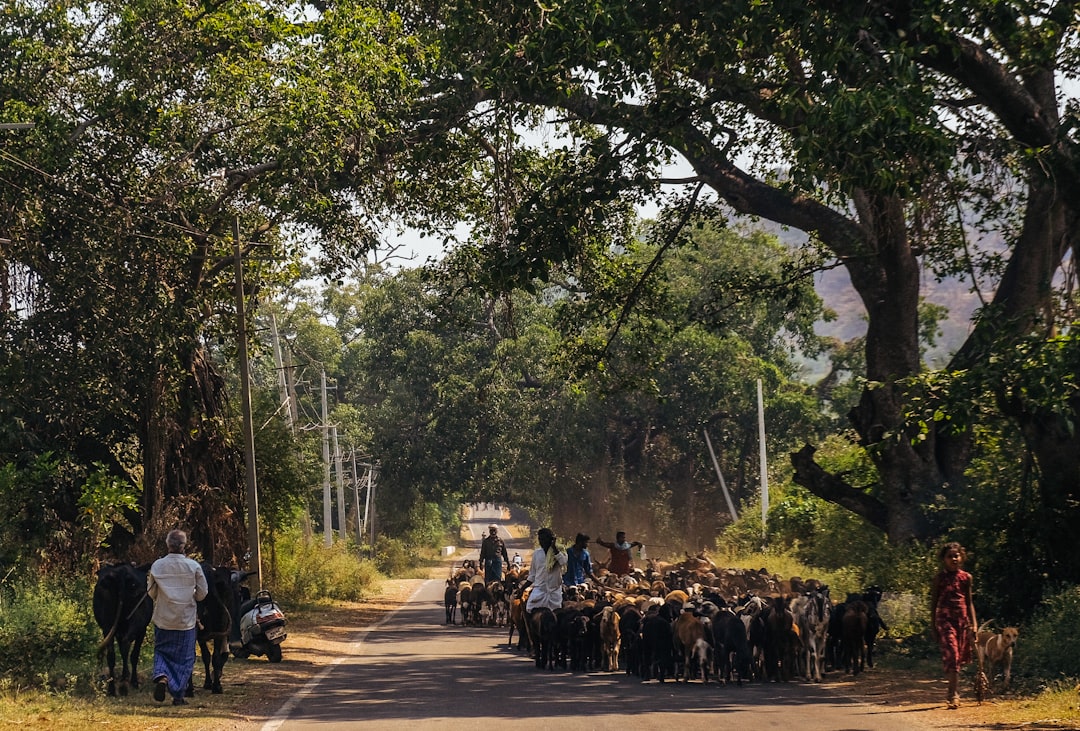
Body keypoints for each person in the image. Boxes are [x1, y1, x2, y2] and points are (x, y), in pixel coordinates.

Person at [148, 529, 208, 706]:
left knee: (161, 651)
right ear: (184, 545)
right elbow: (203, 593)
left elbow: (151, 592)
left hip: (163, 619)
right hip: (186, 621)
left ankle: (162, 677)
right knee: (185, 658)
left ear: (168, 544)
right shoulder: (193, 566)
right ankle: (178, 696)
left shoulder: (157, 565)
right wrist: (191, 596)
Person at [930, 541, 978, 709]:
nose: (953, 559)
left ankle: (953, 691)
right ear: (944, 559)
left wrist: (974, 625)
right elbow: (934, 603)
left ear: (962, 557)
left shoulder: (966, 577)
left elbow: (969, 602)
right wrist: (933, 626)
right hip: (945, 621)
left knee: (959, 658)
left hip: (962, 621)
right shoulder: (939, 579)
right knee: (952, 654)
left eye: (956, 556)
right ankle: (953, 694)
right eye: (949, 556)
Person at [524, 527, 567, 613]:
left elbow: (563, 562)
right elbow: (532, 575)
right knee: (529, 610)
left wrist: (554, 548)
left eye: (544, 539)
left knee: (558, 615)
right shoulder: (537, 553)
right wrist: (522, 588)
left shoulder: (560, 552)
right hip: (539, 591)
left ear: (551, 539)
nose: (541, 542)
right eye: (540, 539)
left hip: (554, 592)